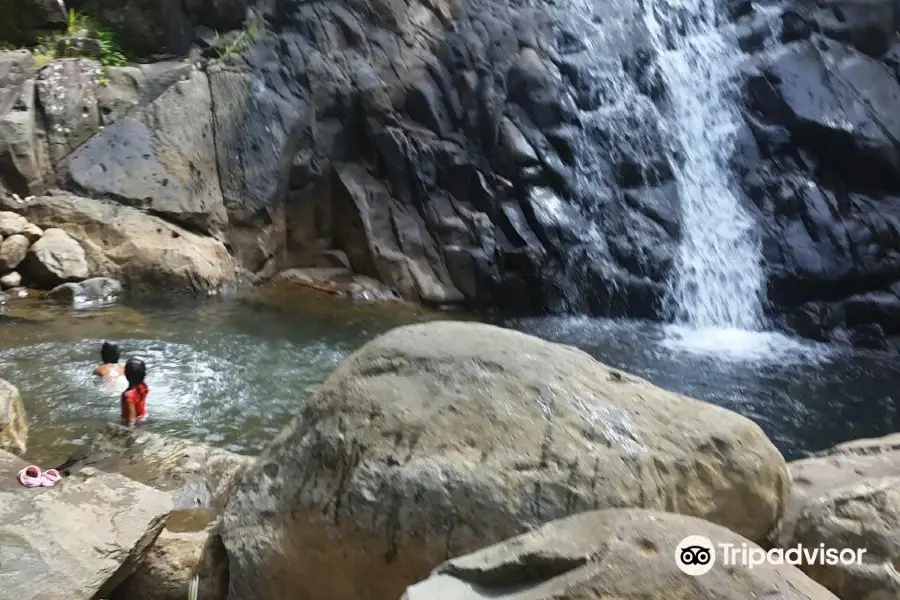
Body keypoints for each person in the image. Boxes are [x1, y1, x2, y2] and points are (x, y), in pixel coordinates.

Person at [121, 357, 149, 427]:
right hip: (144, 418)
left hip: (136, 423)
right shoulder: (143, 386)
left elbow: (132, 418)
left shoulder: (128, 396)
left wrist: (130, 430)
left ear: (125, 374)